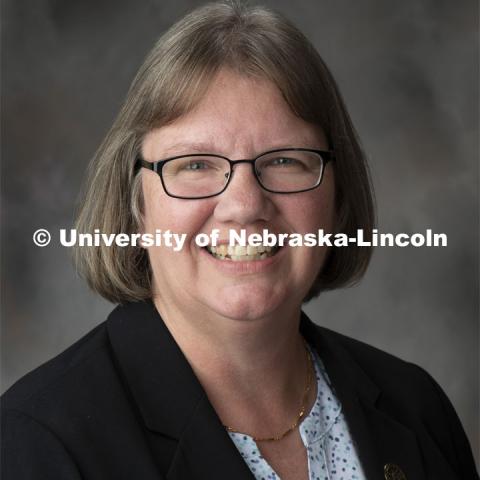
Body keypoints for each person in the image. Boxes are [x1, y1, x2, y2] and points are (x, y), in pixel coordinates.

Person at [1, 2, 478, 479]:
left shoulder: (415, 407)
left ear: (337, 196)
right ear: (136, 206)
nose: (245, 205)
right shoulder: (38, 442)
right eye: (195, 164)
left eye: (285, 160)